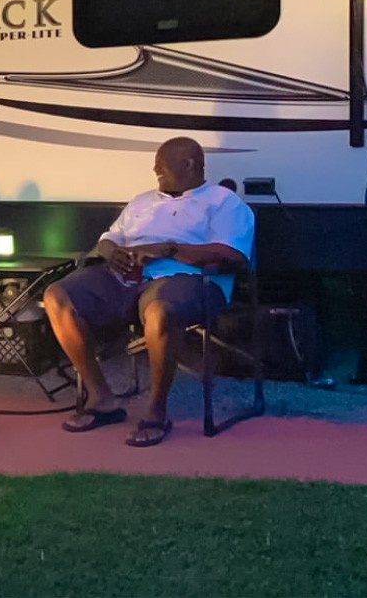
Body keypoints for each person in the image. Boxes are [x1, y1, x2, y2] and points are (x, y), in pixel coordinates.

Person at [43, 136, 253, 447]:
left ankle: (156, 410)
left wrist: (167, 249)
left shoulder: (223, 202)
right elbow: (109, 237)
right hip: (125, 277)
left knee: (160, 310)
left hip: (189, 280)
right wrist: (111, 251)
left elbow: (233, 253)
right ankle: (101, 398)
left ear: (189, 164)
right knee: (57, 295)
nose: (155, 168)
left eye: (162, 165)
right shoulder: (142, 201)